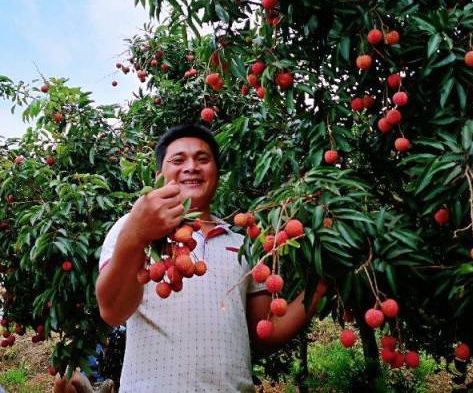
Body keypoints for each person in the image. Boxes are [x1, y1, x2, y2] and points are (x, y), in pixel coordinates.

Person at [54, 124, 326, 392]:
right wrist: (136, 234)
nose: (191, 167)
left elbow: (266, 333)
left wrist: (324, 284)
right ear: (160, 175)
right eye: (178, 160)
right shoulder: (132, 227)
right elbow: (113, 311)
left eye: (203, 159)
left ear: (216, 174)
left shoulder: (243, 244)